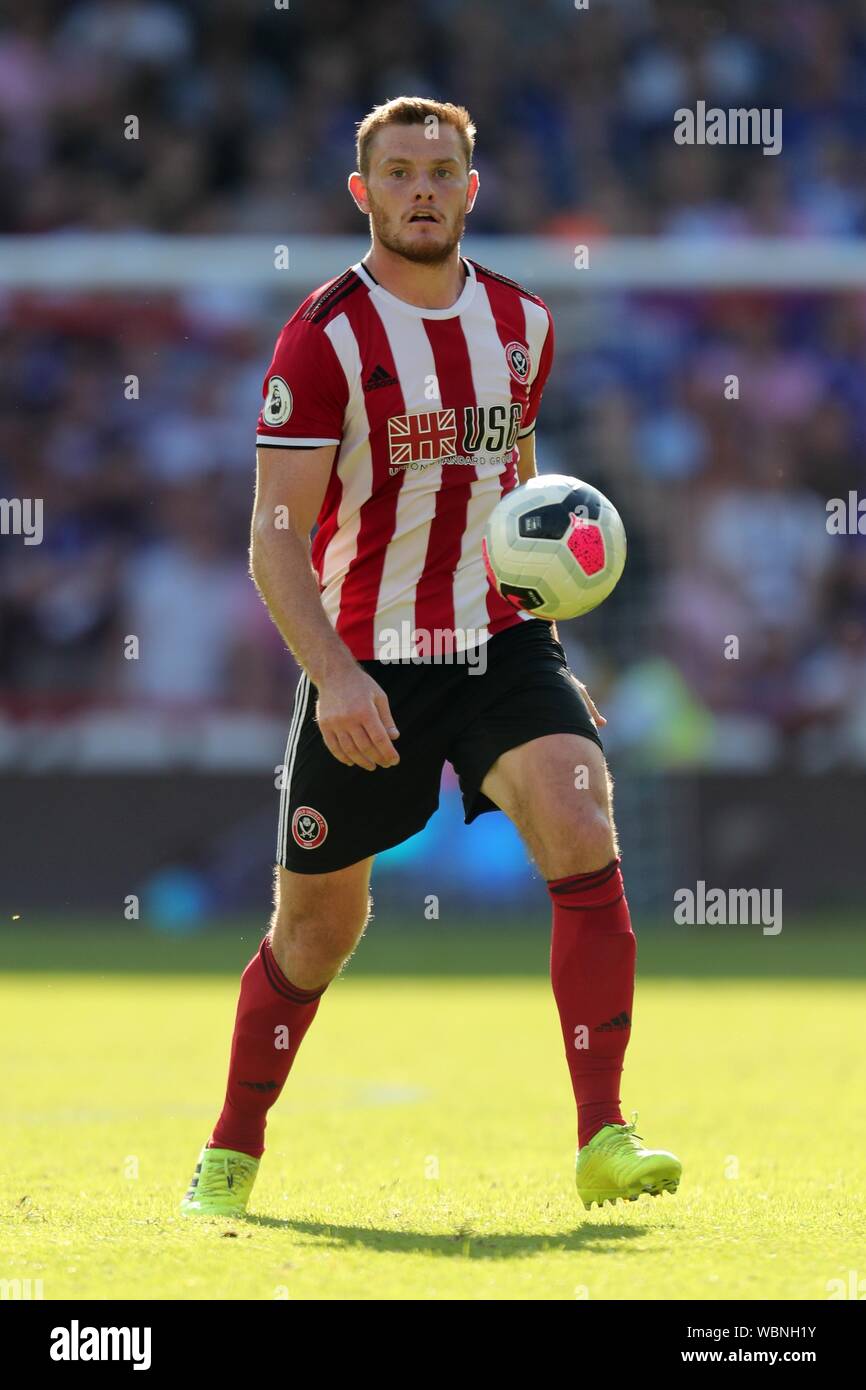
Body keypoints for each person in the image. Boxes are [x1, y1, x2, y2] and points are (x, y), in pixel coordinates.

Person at [181, 97, 681, 1217]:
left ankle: (602, 1131)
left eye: (439, 171)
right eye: (397, 172)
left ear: (470, 188)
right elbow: (273, 540)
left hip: (501, 648)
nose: (420, 188)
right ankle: (231, 1146)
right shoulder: (323, 339)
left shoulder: (523, 324)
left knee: (580, 815)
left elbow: (521, 499)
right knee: (317, 932)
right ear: (362, 194)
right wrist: (337, 676)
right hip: (368, 663)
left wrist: (551, 647)